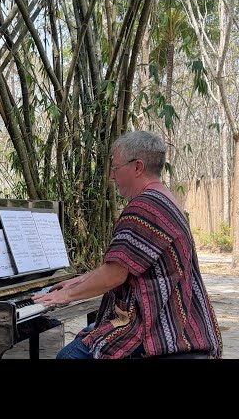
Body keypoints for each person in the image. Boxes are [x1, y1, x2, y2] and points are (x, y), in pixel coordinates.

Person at [33, 130, 223, 359]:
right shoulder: (166, 200)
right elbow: (123, 265)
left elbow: (114, 275)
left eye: (115, 168)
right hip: (177, 319)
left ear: (137, 167)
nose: (112, 177)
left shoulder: (144, 208)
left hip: (159, 327)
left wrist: (65, 296)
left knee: (70, 355)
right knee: (87, 336)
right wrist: (80, 280)